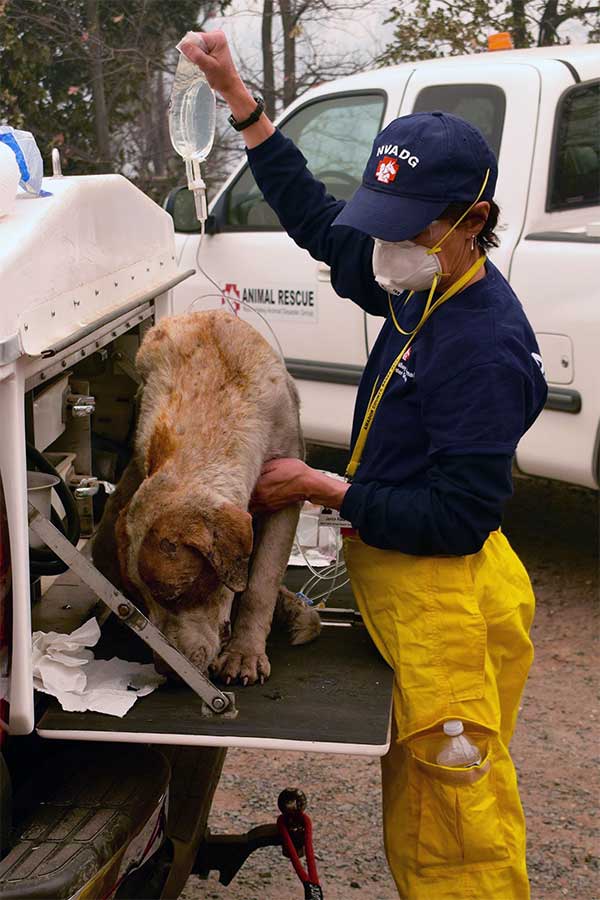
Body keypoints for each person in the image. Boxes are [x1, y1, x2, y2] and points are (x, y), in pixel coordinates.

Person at [181, 30, 548, 900]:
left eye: (406, 229)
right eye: (379, 226)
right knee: (416, 815)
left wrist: (319, 486)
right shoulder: (418, 281)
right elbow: (313, 215)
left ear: (473, 223)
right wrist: (236, 95)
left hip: (448, 602)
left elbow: (461, 516)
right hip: (405, 582)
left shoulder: (483, 345)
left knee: (454, 827)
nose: (382, 249)